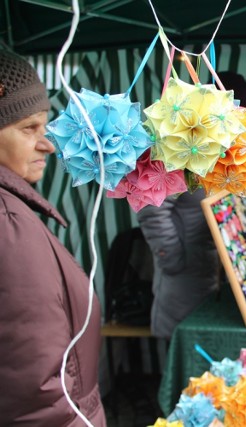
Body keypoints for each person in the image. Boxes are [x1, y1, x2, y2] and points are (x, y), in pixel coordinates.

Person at [0, 50, 106, 425]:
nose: (47, 143)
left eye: (45, 127)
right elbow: (37, 389)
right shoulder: (7, 221)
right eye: (29, 128)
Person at [137, 189, 220, 340]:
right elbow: (151, 208)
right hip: (182, 274)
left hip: (206, 267)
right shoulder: (171, 166)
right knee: (183, 341)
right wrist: (172, 261)